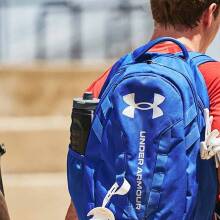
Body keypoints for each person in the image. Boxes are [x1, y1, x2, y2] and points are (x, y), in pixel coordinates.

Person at [66, 0, 220, 219]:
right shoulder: (214, 80)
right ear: (210, 13)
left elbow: (83, 187)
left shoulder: (107, 82)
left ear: (153, 10)